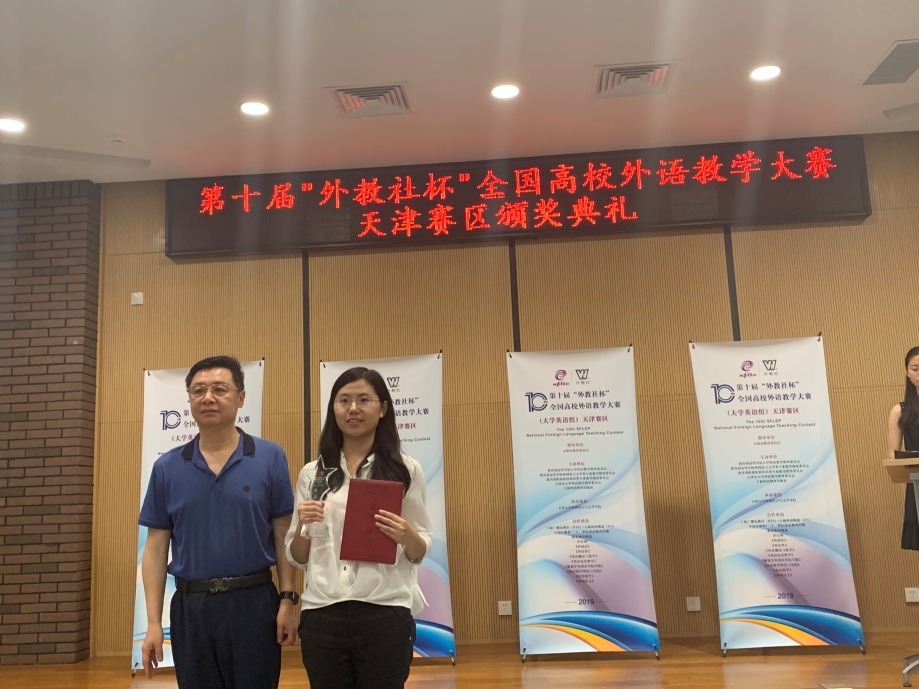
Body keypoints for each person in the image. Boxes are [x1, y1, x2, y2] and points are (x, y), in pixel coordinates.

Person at [139, 355, 299, 688]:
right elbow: (155, 547)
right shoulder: (167, 468)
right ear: (189, 400)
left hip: (254, 603)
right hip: (191, 607)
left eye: (219, 389)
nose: (208, 397)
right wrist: (153, 623)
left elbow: (283, 532)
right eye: (198, 390)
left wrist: (288, 599)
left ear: (241, 398)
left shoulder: (270, 457)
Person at [285, 367, 432, 689]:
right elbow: (297, 557)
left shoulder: (404, 469)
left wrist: (407, 535)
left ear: (382, 408)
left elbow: (420, 547)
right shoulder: (313, 473)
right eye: (344, 400)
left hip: (385, 609)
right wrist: (303, 526)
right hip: (323, 611)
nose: (353, 408)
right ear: (333, 409)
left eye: (364, 400)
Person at [887, 346, 919, 550]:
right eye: (915, 369)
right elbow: (892, 454)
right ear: (907, 372)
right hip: (917, 483)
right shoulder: (900, 411)